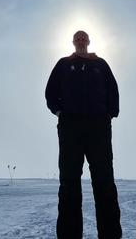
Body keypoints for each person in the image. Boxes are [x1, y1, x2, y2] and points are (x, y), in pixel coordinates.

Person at [45, 30, 122, 239]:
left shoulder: (101, 64)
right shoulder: (63, 64)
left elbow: (112, 89)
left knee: (104, 182)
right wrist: (59, 111)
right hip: (70, 128)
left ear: (88, 42)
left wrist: (110, 114)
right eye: (77, 38)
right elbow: (50, 92)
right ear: (73, 42)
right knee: (69, 183)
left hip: (99, 127)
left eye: (83, 38)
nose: (80, 41)